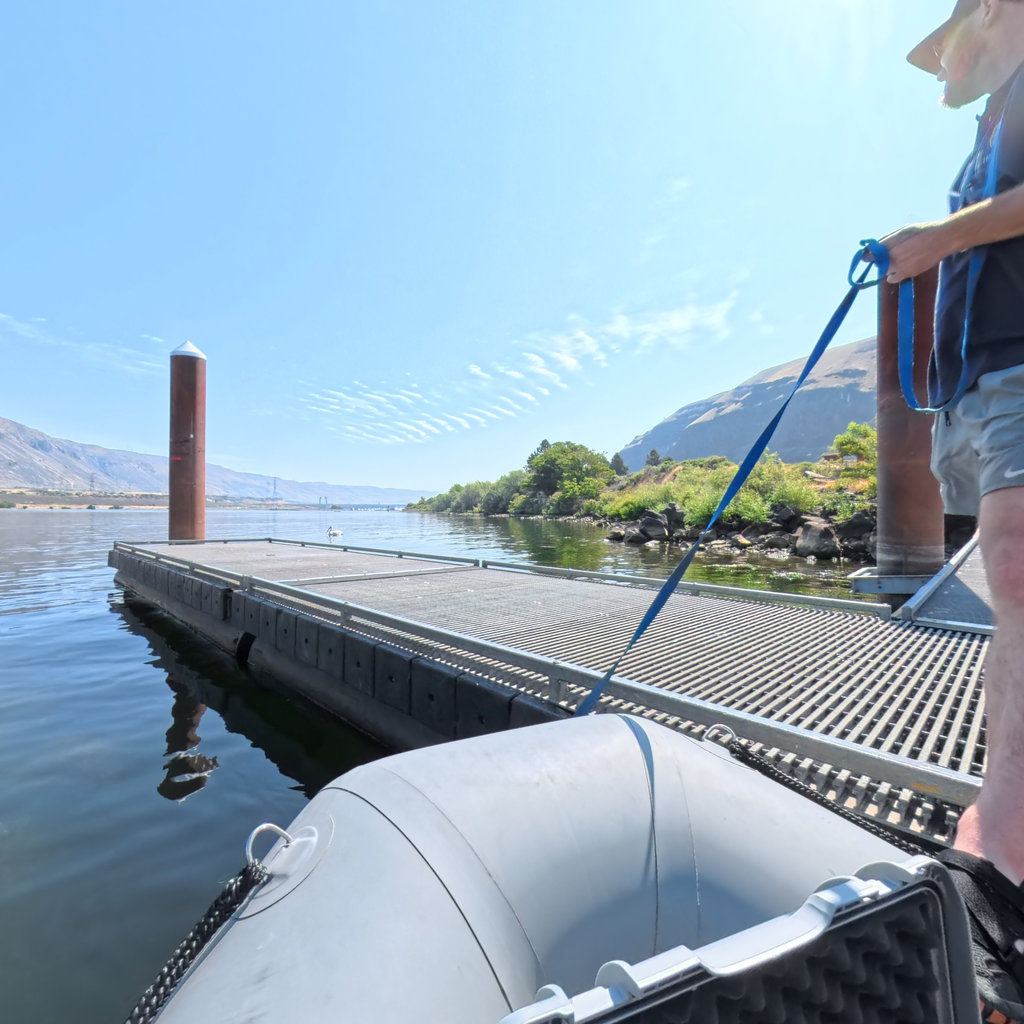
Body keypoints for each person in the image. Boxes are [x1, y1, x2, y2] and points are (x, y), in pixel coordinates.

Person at [883, 1, 1024, 1020]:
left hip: (1019, 370)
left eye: (944, 51)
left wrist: (932, 238)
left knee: (1017, 574)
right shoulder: (978, 138)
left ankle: (1000, 839)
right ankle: (1001, 796)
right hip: (969, 388)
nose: (937, 73)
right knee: (1009, 592)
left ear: (986, 18)